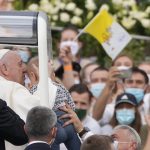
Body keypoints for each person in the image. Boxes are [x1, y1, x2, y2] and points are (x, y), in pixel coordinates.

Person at [0, 49, 57, 150]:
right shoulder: (10, 87)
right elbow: (40, 112)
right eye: (20, 64)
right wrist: (46, 78)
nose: (25, 68)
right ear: (4, 68)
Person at [27, 56, 81, 150]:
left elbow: (35, 108)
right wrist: (70, 111)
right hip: (68, 123)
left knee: (51, 144)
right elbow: (71, 105)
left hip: (53, 127)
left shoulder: (35, 90)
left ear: (33, 75)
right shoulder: (60, 87)